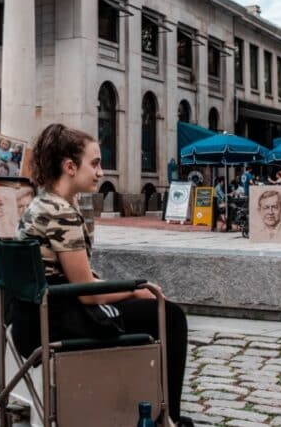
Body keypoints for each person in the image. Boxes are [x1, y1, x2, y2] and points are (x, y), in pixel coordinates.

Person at [13, 123, 192, 426]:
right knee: (170, 315)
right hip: (56, 320)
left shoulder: (40, 204)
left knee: (150, 306)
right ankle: (168, 416)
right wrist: (136, 290)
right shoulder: (61, 212)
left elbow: (77, 282)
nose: (100, 172)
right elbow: (88, 292)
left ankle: (144, 403)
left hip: (33, 315)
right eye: (94, 163)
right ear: (70, 167)